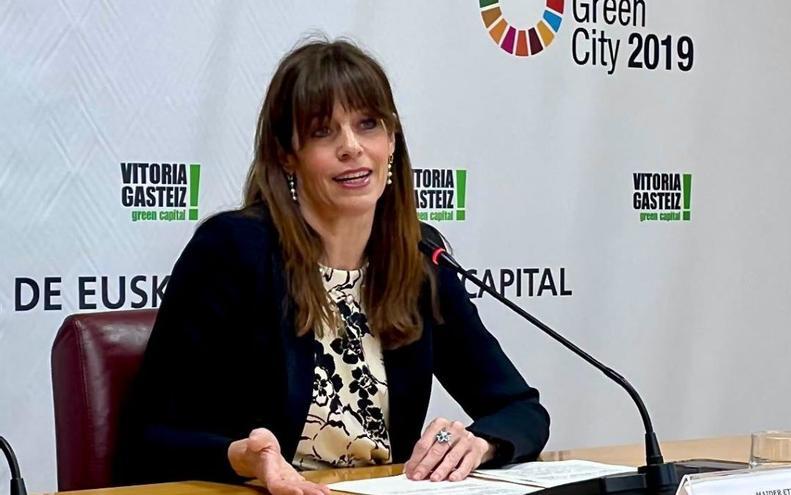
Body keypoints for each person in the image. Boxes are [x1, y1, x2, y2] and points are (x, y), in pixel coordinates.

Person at [115, 39, 549, 495]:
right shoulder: (233, 251)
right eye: (323, 132)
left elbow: (521, 409)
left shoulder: (419, 257)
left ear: (392, 140)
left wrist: (479, 443)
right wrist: (242, 458)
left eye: (368, 125)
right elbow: (147, 440)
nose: (351, 147)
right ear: (287, 154)